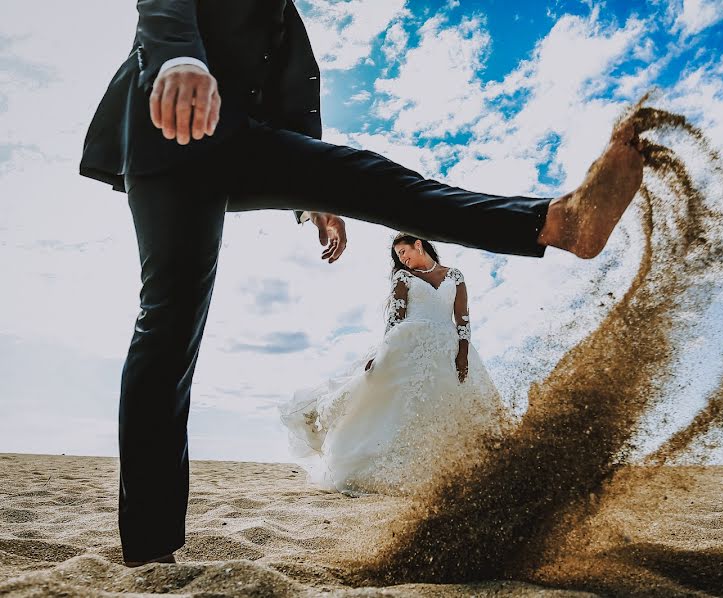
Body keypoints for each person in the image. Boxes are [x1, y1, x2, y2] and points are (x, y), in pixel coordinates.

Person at [80, 0, 644, 567]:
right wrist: (179, 57)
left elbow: (291, 104)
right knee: (171, 324)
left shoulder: (283, 17)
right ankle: (151, 551)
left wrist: (315, 204)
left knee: (379, 181)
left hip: (243, 136)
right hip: (169, 128)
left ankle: (556, 223)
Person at [280, 234, 511, 496]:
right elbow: (394, 320)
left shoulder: (455, 275)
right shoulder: (403, 277)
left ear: (419, 245)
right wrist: (383, 352)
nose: (402, 259)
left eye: (404, 252)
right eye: (398, 256)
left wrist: (463, 352)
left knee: (449, 403)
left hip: (448, 346)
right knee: (399, 403)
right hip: (407, 345)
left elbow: (463, 318)